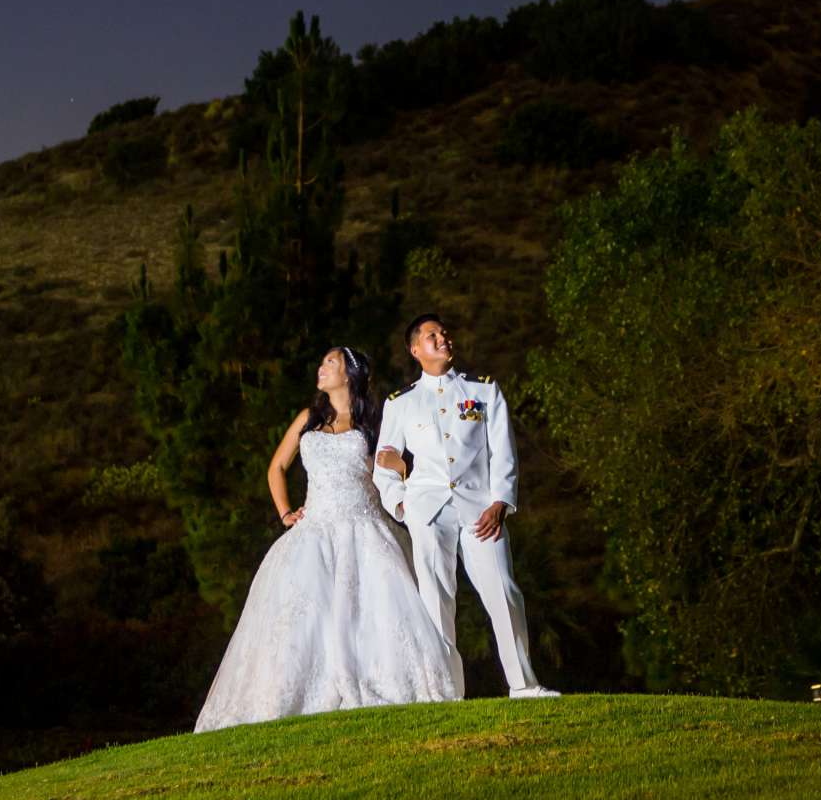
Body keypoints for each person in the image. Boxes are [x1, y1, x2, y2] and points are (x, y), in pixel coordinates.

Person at [193, 346, 462, 733]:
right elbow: (277, 468)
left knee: (373, 612)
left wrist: (400, 472)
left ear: (349, 374)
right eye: (321, 363)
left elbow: (400, 466)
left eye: (330, 363)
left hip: (365, 530)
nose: (321, 369)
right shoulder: (308, 419)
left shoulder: (374, 422)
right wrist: (286, 513)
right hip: (314, 531)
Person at [373, 314, 558, 699]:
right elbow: (383, 466)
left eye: (444, 333)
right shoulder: (401, 403)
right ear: (415, 349)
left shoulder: (484, 391)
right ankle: (446, 693)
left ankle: (523, 685)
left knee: (504, 590)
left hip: (480, 509)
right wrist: (403, 507)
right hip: (427, 510)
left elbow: (503, 450)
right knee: (436, 599)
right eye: (432, 335)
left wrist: (501, 502)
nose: (443, 339)